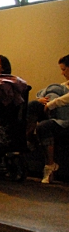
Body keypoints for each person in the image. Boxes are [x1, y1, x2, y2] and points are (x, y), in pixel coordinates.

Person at [27, 54, 69, 183]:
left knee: (44, 126)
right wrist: (42, 101)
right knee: (34, 104)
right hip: (56, 117)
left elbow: (65, 99)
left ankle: (50, 166)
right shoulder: (64, 86)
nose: (62, 73)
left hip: (66, 121)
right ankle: (27, 139)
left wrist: (51, 104)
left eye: (64, 69)